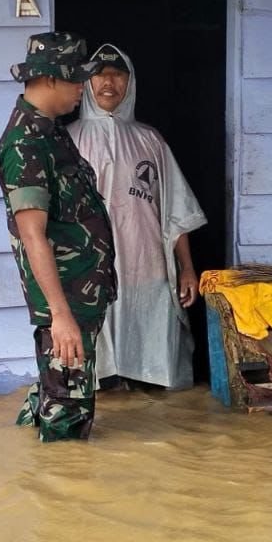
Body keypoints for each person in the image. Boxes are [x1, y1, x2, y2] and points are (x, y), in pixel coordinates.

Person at [0, 32, 118, 442]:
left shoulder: (50, 130)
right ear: (48, 79)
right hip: (66, 301)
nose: (83, 89)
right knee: (67, 419)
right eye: (75, 80)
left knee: (57, 396)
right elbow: (34, 237)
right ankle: (63, 500)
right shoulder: (26, 144)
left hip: (79, 292)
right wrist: (61, 316)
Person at [68, 43, 207, 389]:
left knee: (152, 375)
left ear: (130, 82)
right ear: (86, 81)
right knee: (97, 380)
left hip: (147, 271)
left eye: (118, 74)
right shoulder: (68, 140)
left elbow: (175, 210)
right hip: (90, 277)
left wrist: (187, 268)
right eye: (99, 73)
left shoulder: (151, 141)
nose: (108, 82)